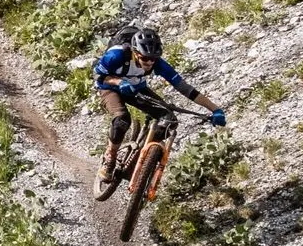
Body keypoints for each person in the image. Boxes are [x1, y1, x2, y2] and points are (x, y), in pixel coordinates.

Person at [94, 26, 226, 189]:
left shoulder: (158, 64)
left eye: (153, 59)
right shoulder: (116, 55)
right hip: (110, 88)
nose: (149, 63)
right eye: (144, 58)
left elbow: (186, 89)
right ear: (135, 52)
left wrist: (215, 109)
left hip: (137, 89)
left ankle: (144, 157)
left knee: (169, 120)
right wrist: (119, 82)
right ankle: (110, 156)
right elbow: (99, 77)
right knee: (122, 119)